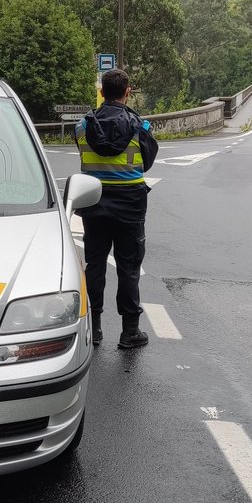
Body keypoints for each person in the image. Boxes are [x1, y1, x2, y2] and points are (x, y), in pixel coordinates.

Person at [75, 68, 158, 349]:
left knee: (95, 265)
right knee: (129, 268)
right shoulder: (140, 127)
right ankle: (130, 331)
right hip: (130, 206)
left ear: (101, 93)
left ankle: (94, 328)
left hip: (93, 201)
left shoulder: (83, 126)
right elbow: (147, 163)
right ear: (127, 92)